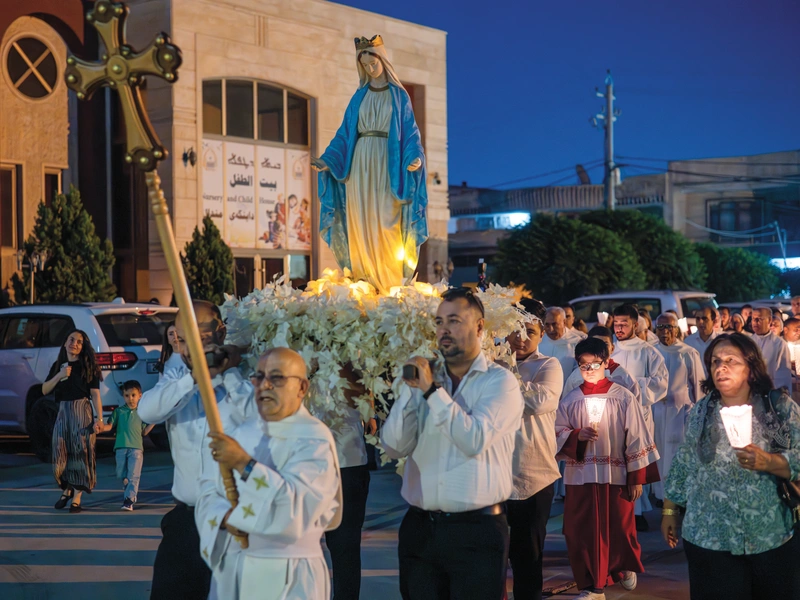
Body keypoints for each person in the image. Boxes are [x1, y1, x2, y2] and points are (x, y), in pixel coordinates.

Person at [381, 287, 523, 600]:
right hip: (420, 528)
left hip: (477, 531)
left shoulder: (500, 382)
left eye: (455, 321)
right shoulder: (426, 377)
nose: (444, 329)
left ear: (480, 327)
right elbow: (394, 447)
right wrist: (409, 393)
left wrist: (432, 392)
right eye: (440, 321)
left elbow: (474, 440)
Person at [195, 348, 342, 600]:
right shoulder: (244, 432)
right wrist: (224, 517)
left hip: (290, 573)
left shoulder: (314, 437)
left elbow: (297, 507)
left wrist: (244, 463)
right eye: (259, 376)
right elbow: (209, 489)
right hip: (236, 569)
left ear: (302, 387)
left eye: (276, 378)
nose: (264, 385)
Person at [662, 333, 800, 599]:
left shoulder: (777, 407)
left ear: (750, 367)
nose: (720, 367)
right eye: (715, 362)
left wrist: (771, 462)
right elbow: (686, 460)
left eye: (731, 361)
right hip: (710, 536)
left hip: (770, 534)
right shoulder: (702, 411)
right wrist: (670, 508)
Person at [138, 301, 257, 600]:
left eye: (205, 336)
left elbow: (256, 417)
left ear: (222, 332)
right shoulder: (176, 373)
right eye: (189, 337)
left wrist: (227, 372)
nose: (198, 344)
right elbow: (148, 411)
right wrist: (193, 378)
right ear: (177, 340)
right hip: (188, 522)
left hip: (236, 519)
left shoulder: (244, 373)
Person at [313, 35, 427, 294]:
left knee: (386, 221)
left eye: (373, 63)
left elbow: (410, 133)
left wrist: (414, 156)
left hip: (388, 163)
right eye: (364, 65)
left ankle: (388, 284)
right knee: (359, 221)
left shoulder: (399, 96)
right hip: (359, 164)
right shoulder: (359, 97)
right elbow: (344, 134)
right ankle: (363, 282)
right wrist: (328, 160)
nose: (369, 68)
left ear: (382, 61)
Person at [556, 338, 660, 600]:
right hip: (580, 476)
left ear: (606, 363)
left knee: (619, 529)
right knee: (580, 531)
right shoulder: (571, 399)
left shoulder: (622, 396)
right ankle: (593, 587)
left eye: (595, 364)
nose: (589, 369)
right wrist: (576, 436)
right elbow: (556, 432)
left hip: (616, 476)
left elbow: (637, 436)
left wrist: (635, 478)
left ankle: (622, 566)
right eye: (583, 365)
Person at [504, 316, 562, 600]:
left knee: (528, 557)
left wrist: (503, 378)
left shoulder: (548, 365)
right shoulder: (490, 363)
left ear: (541, 336)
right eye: (516, 329)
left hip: (533, 473)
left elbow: (541, 401)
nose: (522, 337)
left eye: (530, 332)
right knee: (492, 557)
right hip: (496, 475)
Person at [322, 364, 377, 600]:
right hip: (294, 460)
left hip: (345, 460)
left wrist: (336, 362)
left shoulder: (352, 344)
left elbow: (366, 400)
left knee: (345, 550)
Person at [611, 303, 668, 531]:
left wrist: (633, 385)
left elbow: (660, 384)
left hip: (638, 416)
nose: (619, 328)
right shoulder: (609, 350)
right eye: (616, 323)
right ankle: (619, 509)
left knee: (634, 463)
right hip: (611, 417)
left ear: (635, 324)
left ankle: (637, 511)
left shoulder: (649, 352)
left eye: (624, 324)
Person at [43, 329, 103, 513]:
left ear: (83, 347)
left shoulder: (88, 366)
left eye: (79, 342)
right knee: (61, 451)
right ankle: (67, 488)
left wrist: (99, 418)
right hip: (63, 411)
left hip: (81, 411)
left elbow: (95, 394)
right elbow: (45, 390)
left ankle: (76, 496)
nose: (74, 344)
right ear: (65, 342)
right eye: (71, 339)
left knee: (79, 453)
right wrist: (60, 375)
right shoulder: (58, 366)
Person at [651, 313, 704, 503]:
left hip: (680, 412)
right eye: (660, 327)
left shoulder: (688, 353)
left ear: (676, 330)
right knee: (659, 455)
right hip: (656, 411)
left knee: (677, 455)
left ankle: (678, 496)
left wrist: (699, 414)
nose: (664, 332)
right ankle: (660, 495)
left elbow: (698, 386)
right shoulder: (651, 351)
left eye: (668, 327)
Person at [98, 380, 155, 510]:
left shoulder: (142, 412)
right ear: (123, 396)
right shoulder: (119, 412)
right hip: (120, 448)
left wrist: (154, 421)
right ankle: (129, 491)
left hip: (136, 449)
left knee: (133, 475)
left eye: (133, 395)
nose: (131, 399)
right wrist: (101, 428)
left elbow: (144, 432)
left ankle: (129, 499)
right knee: (121, 474)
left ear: (140, 395)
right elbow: (109, 426)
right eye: (127, 395)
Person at [562, 326, 641, 401]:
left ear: (612, 348)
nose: (600, 348)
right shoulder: (576, 376)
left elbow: (635, 408)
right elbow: (566, 403)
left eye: (605, 344)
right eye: (595, 344)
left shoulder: (625, 377)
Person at [750, 307, 793, 391]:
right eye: (753, 319)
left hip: (771, 389)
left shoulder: (779, 344)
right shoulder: (748, 342)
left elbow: (783, 373)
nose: (755, 322)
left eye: (759, 319)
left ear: (769, 320)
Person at [539, 307, 578, 384]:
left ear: (564, 322)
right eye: (547, 325)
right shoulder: (539, 341)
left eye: (554, 324)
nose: (551, 329)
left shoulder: (576, 342)